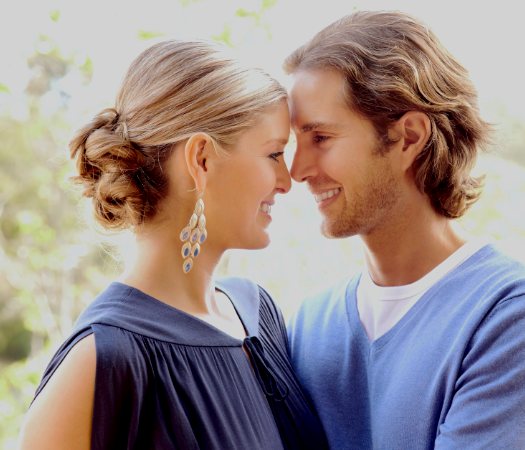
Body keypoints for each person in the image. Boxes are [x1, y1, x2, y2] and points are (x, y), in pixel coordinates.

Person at [284, 10, 525, 450]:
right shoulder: (308, 324)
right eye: (294, 142)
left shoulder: (522, 316)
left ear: (409, 137)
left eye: (321, 138)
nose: (297, 171)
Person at [17, 39, 327, 450]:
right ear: (201, 159)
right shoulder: (104, 359)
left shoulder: (258, 312)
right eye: (273, 154)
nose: (288, 181)